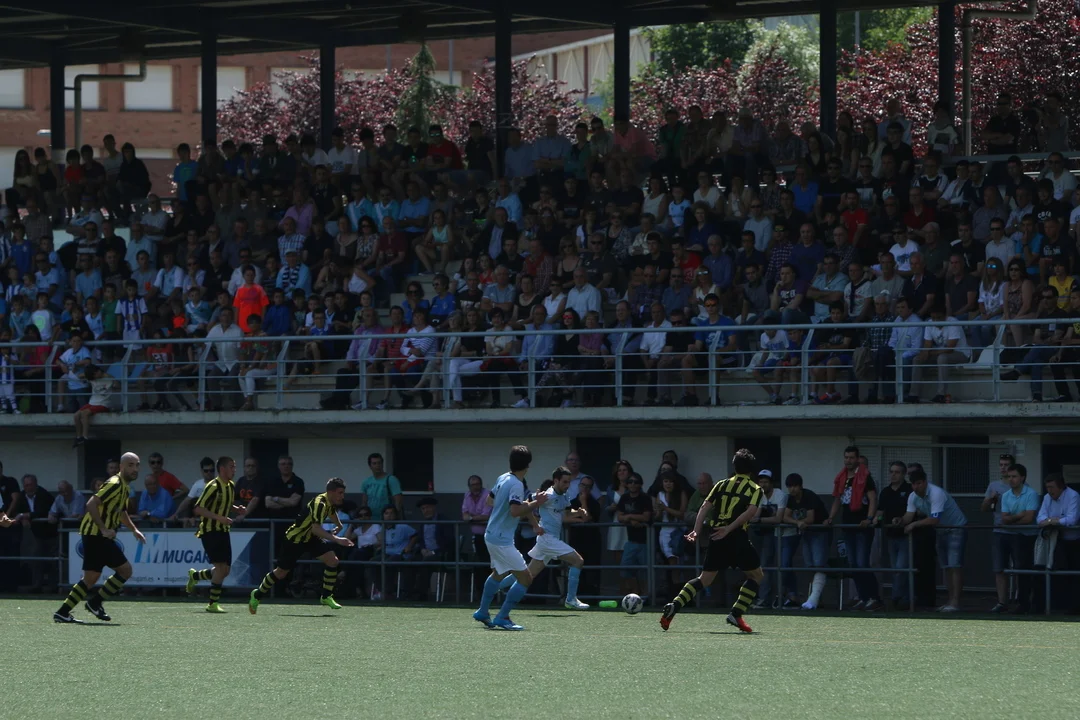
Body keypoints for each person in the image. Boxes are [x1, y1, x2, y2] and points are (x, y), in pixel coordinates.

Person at [660, 449, 764, 634]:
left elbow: (704, 507)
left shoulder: (721, 484)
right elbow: (750, 513)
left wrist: (696, 531)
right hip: (736, 537)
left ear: (734, 466)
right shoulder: (755, 489)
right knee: (756, 576)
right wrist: (729, 528)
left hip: (716, 536)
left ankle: (675, 605)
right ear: (751, 469)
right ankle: (736, 613)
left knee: (704, 579)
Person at [54, 452, 147, 623]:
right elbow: (91, 503)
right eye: (130, 465)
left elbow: (121, 512)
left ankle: (65, 611)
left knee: (91, 577)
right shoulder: (114, 483)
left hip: (97, 536)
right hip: (96, 535)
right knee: (124, 571)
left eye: (137, 465)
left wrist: (134, 529)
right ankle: (93, 604)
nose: (135, 469)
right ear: (121, 467)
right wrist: (103, 529)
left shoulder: (125, 486)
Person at [249, 477, 354, 614]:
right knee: (281, 573)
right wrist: (337, 539)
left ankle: (326, 596)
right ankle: (257, 595)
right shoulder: (320, 503)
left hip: (310, 538)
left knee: (333, 561)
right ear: (331, 492)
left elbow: (331, 512)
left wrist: (339, 525)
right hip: (295, 539)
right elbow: (316, 528)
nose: (342, 496)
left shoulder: (329, 501)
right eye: (340, 493)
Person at [472, 445, 548, 631]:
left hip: (491, 534)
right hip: (501, 539)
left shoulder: (503, 477)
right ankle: (502, 617)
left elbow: (490, 501)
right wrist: (536, 503)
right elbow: (515, 511)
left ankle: (483, 611)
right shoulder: (516, 484)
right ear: (528, 465)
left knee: (497, 574)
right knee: (526, 578)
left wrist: (524, 506)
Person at [504, 466, 590, 610]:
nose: (567, 485)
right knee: (578, 561)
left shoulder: (564, 495)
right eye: (564, 482)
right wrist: (535, 525)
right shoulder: (548, 495)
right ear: (556, 481)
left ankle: (496, 587)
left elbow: (565, 514)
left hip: (549, 540)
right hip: (548, 539)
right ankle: (571, 599)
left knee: (527, 575)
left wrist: (578, 512)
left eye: (569, 482)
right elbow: (525, 505)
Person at [823, 445, 881, 610]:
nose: (848, 461)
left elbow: (873, 498)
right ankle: (863, 597)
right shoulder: (841, 477)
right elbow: (837, 499)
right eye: (846, 457)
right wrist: (830, 517)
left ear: (857, 459)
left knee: (862, 563)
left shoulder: (865, 477)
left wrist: (869, 518)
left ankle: (874, 598)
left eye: (851, 458)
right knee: (853, 563)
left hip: (862, 526)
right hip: (848, 526)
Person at [902, 467, 967, 612]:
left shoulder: (936, 493)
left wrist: (914, 524)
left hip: (956, 528)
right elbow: (908, 516)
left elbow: (934, 519)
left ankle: (955, 603)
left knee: (954, 565)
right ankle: (950, 601)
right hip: (941, 530)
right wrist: (899, 520)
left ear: (925, 482)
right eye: (913, 484)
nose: (916, 487)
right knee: (946, 567)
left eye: (919, 483)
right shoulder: (913, 496)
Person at [185, 456, 246, 613]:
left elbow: (224, 503)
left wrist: (236, 509)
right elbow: (198, 508)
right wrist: (220, 518)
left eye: (234, 467)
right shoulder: (212, 486)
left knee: (225, 570)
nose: (234, 470)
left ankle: (195, 576)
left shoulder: (230, 485)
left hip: (223, 531)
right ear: (222, 469)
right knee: (220, 568)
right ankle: (212, 604)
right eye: (231, 467)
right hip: (210, 531)